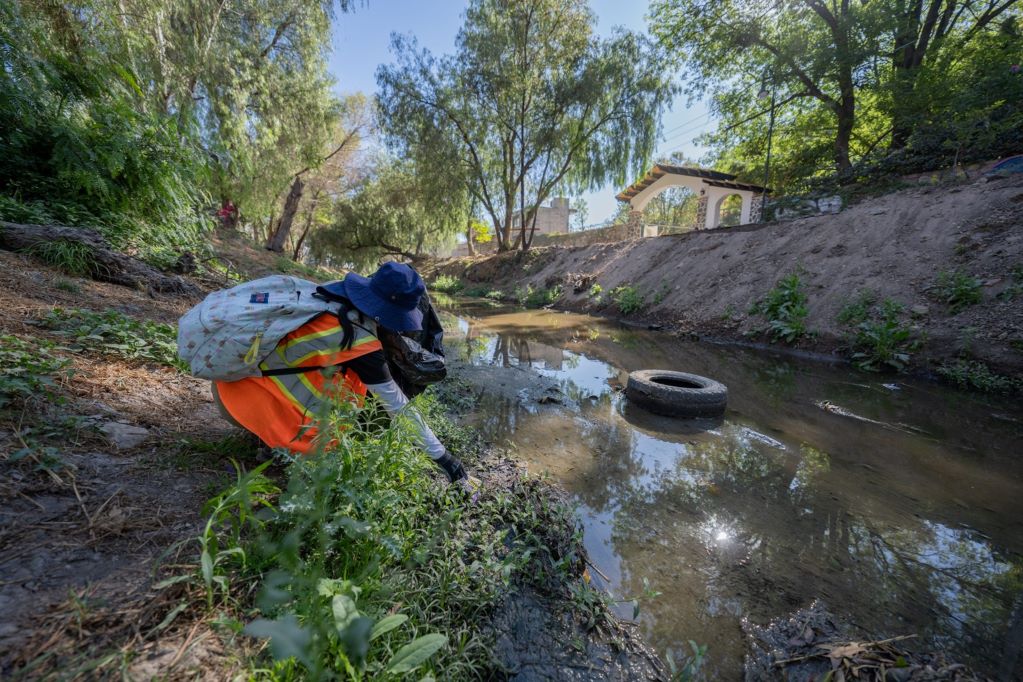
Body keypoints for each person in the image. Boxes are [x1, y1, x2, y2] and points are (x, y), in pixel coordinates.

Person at [211, 262, 474, 488]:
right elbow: (398, 407)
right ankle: (280, 446)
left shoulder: (333, 294)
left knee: (332, 381)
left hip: (229, 381)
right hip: (239, 401)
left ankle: (267, 432)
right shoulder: (360, 342)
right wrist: (445, 459)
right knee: (335, 435)